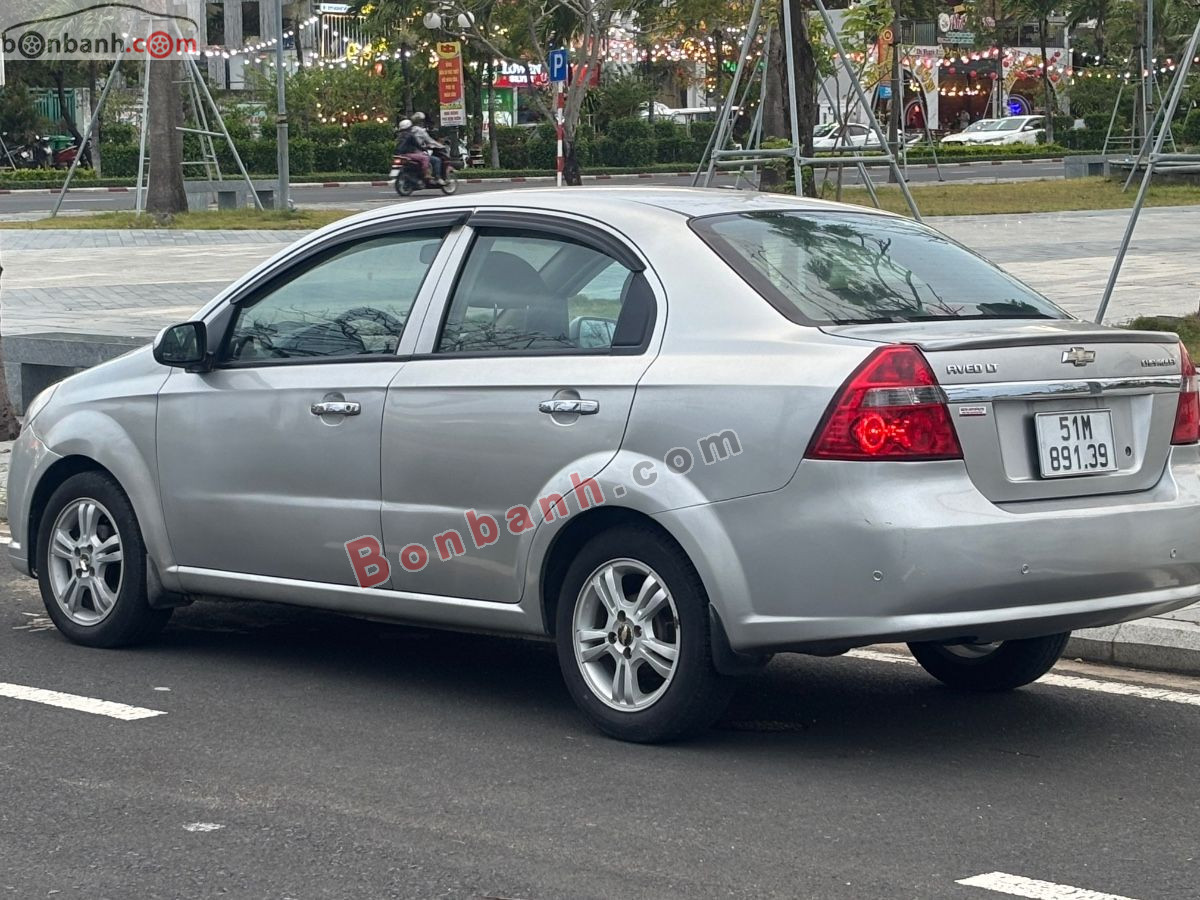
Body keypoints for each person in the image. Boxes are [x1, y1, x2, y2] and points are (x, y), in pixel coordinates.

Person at [410, 112, 446, 184]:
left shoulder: (409, 130)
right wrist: (441, 146)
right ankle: (437, 178)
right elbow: (430, 141)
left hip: (409, 153)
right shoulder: (421, 131)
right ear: (421, 121)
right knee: (436, 160)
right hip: (417, 152)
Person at [394, 118, 433, 183]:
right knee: (425, 158)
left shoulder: (399, 135)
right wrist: (423, 149)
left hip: (399, 154)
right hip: (407, 154)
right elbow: (417, 144)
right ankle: (426, 174)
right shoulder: (410, 135)